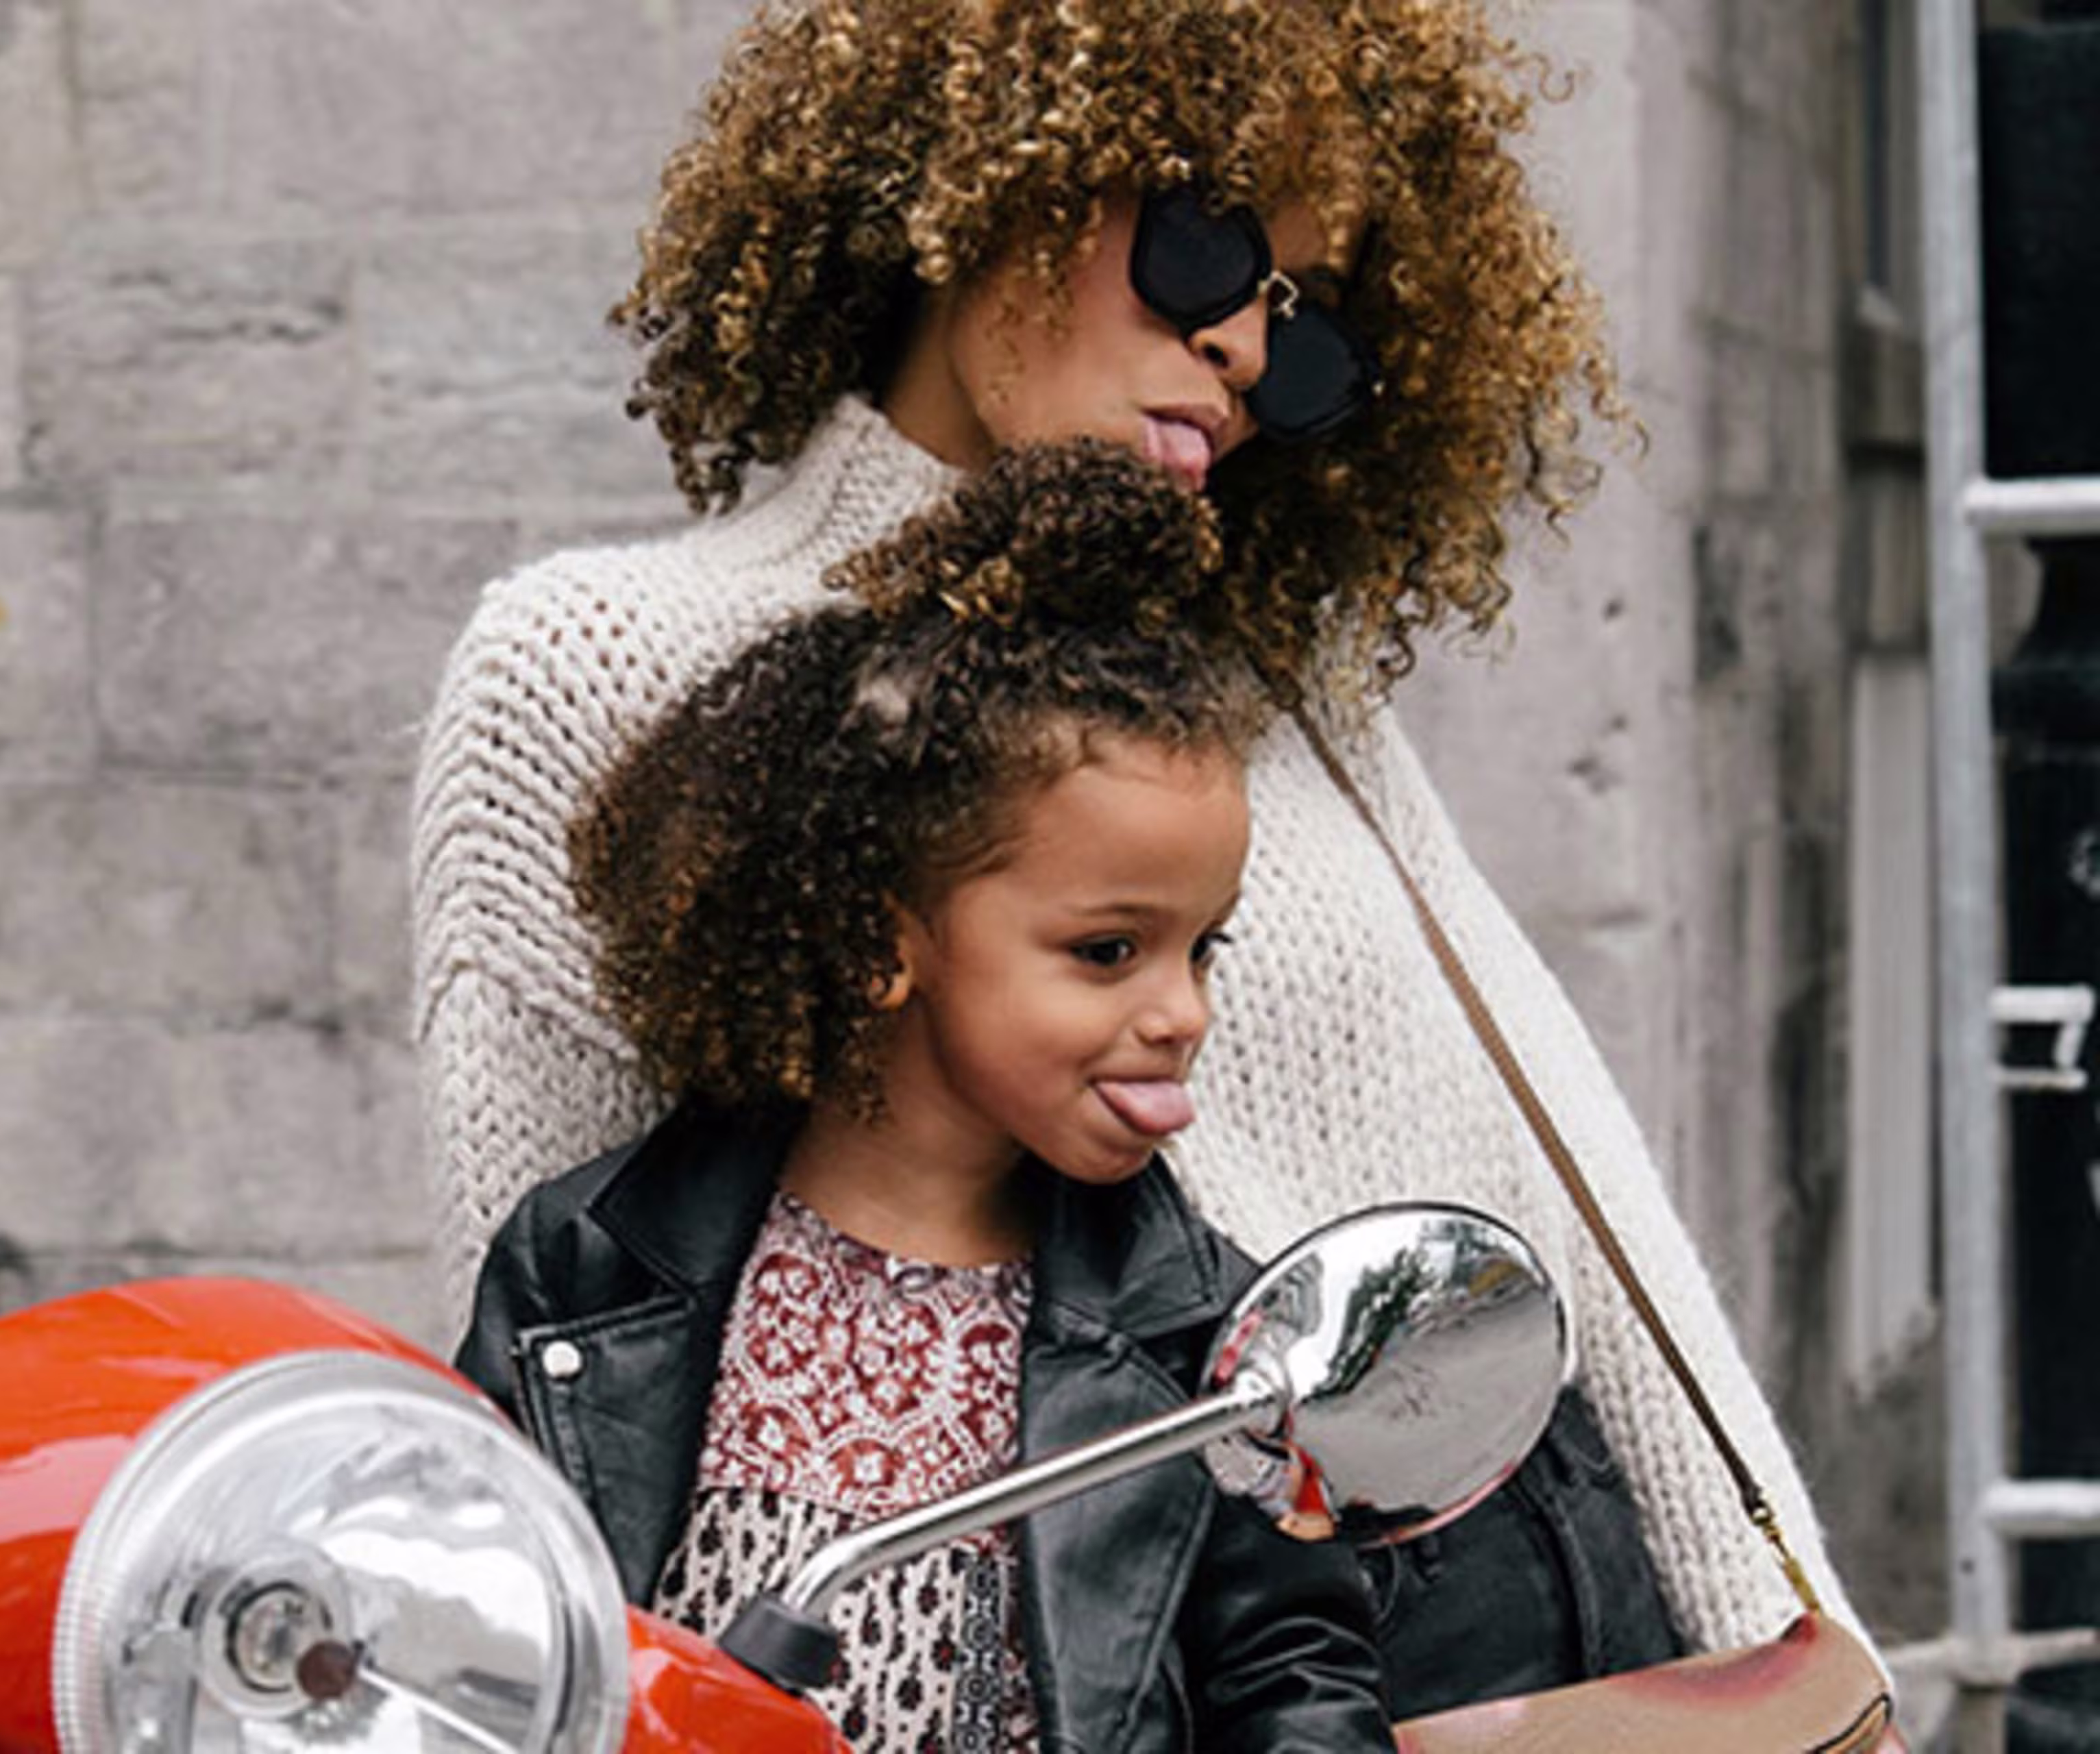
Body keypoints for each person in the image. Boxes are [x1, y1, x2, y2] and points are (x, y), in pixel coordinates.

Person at [412, 0, 1862, 1717]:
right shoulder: (599, 666)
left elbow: (1571, 1170)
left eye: (1305, 326)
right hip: (1139, 1644)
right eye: (1206, 246)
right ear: (998, 168)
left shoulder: (1270, 688)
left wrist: (1802, 1635)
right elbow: (582, 1374)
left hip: (1529, 1584)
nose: (1243, 345)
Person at [458, 443, 1394, 1753]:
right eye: (1109, 951)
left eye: (1203, 949)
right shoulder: (591, 1266)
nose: (1183, 1011)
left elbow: (1294, 1678)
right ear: (878, 942)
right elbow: (474, 1631)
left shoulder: (1205, 1345)